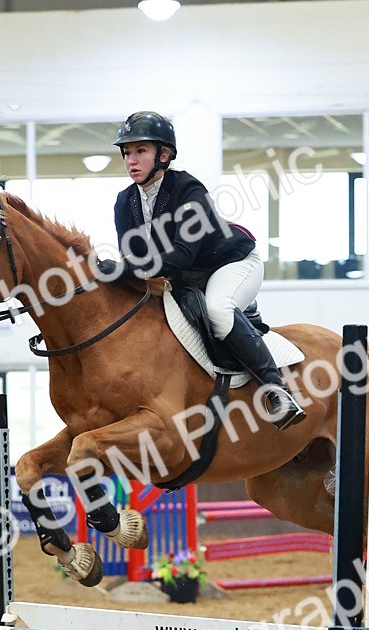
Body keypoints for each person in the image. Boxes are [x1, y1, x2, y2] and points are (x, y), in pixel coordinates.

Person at [111, 110, 305, 430]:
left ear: (164, 155)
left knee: (218, 309)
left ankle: (277, 390)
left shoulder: (189, 190)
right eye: (127, 152)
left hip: (231, 264)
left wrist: (122, 269)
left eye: (140, 151)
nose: (131, 160)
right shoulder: (124, 202)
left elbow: (180, 257)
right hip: (182, 279)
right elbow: (132, 260)